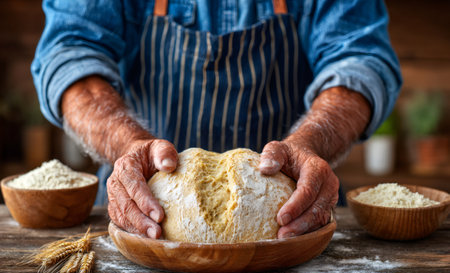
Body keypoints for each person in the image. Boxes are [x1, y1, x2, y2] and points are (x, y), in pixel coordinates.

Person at [32, 0, 402, 239]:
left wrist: (313, 142)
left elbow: (360, 60)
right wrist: (128, 145)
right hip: (141, 213)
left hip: (291, 220)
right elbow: (69, 53)